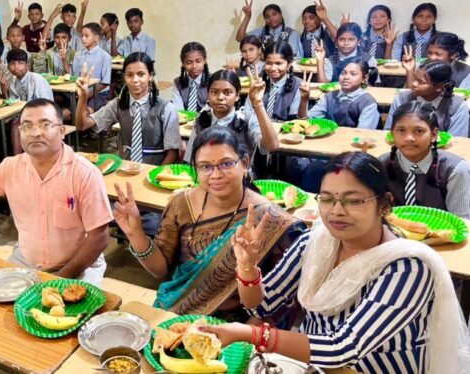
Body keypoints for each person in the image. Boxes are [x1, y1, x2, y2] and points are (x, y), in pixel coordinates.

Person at [202, 151, 470, 374]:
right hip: (314, 365)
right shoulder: (315, 243)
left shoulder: (407, 268)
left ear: (385, 205)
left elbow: (343, 347)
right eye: (327, 199)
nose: (336, 211)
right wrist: (247, 265)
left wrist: (250, 334)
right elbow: (261, 304)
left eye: (353, 201)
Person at [112, 126, 304, 316]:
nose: (216, 175)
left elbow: (276, 302)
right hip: (179, 311)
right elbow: (159, 270)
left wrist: (247, 267)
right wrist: (135, 233)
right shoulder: (182, 205)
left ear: (245, 163)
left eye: (226, 164)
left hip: (238, 322)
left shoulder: (270, 220)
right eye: (205, 166)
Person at [0, 99, 112, 287]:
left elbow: (100, 238)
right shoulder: (10, 167)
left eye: (45, 125)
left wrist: (56, 280)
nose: (36, 133)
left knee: (70, 305)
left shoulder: (84, 173)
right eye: (27, 126)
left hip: (79, 267)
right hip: (26, 261)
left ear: (62, 131)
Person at [77, 52, 179, 165]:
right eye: (129, 75)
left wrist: (156, 173)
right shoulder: (118, 104)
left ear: (150, 76)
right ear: (124, 77)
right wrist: (83, 98)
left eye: (141, 74)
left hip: (155, 167)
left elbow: (173, 152)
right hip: (127, 167)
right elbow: (82, 125)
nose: (135, 80)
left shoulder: (166, 108)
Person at [382, 101, 470, 220]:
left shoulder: (454, 170)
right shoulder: (382, 165)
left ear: (434, 135)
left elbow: (462, 222)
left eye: (419, 131)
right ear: (392, 134)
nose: (409, 138)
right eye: (401, 130)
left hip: (442, 230)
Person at [184, 70, 279, 164]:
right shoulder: (202, 119)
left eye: (227, 93)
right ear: (208, 94)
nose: (220, 97)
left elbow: (271, 146)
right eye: (214, 92)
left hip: (239, 173)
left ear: (237, 96)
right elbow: (190, 158)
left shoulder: (245, 120)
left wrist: (258, 103)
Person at [385, 62, 468, 136]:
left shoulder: (457, 106)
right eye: (415, 78)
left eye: (421, 82)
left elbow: (457, 140)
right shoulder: (402, 98)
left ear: (439, 87)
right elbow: (388, 132)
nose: (414, 84)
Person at [301, 59, 380, 130]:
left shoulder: (368, 103)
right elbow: (305, 121)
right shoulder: (330, 96)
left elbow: (362, 134)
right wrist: (304, 100)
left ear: (364, 78)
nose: (346, 77)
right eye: (343, 73)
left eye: (353, 74)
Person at [245, 41, 306, 122]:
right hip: (257, 127)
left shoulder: (298, 85)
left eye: (279, 63)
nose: (273, 68)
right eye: (268, 63)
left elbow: (295, 120)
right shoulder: (258, 83)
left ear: (289, 64)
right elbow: (247, 113)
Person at [234, 0, 301, 57]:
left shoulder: (292, 33)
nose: (271, 18)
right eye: (267, 17)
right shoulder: (261, 31)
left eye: (274, 14)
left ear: (281, 15)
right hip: (265, 66)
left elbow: (292, 55)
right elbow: (240, 38)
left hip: (283, 66)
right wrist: (247, 17)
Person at [71, 22, 112, 111]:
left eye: (86, 36)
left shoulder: (105, 56)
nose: (83, 39)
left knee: (85, 112)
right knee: (68, 111)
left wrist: (88, 94)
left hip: (98, 93)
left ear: (96, 38)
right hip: (79, 92)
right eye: (82, 36)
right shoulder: (78, 54)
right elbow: (73, 75)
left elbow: (105, 82)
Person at [172, 42, 211, 113]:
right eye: (189, 62)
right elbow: (179, 110)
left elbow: (212, 108)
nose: (194, 66)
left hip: (208, 118)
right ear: (183, 63)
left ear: (205, 60)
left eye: (198, 61)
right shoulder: (178, 82)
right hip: (184, 119)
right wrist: (188, 119)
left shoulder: (213, 80)